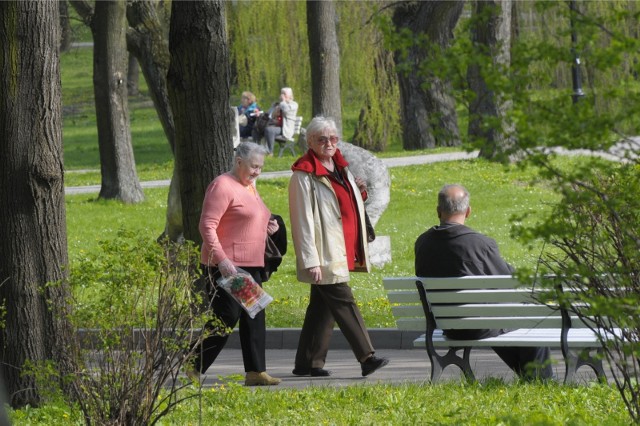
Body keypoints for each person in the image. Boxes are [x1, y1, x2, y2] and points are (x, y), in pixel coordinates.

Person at [414, 184, 553, 380]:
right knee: (526, 316)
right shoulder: (480, 244)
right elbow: (507, 281)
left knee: (497, 317)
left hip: (448, 325)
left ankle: (531, 378)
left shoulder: (423, 243)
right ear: (468, 211)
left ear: (438, 211)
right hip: (478, 325)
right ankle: (541, 380)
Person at [288, 116, 389, 378]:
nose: (329, 143)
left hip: (341, 247)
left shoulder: (339, 166)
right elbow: (303, 221)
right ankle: (367, 357)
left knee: (321, 308)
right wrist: (311, 260)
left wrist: (360, 192)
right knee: (344, 301)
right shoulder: (304, 175)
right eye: (322, 139)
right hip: (325, 252)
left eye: (333, 138)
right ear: (310, 142)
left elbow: (344, 202)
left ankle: (307, 363)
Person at [189, 142, 281, 386]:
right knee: (227, 316)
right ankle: (192, 364)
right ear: (238, 162)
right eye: (253, 167)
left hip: (249, 263)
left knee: (254, 315)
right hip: (228, 263)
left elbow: (249, 217)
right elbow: (206, 226)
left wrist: (268, 227)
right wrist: (222, 261)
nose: (257, 172)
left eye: (260, 167)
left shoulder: (249, 186)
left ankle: (255, 372)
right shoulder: (222, 185)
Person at [257, 87, 298, 155]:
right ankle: (258, 150)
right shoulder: (278, 104)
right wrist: (274, 111)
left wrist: (283, 102)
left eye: (284, 94)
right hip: (276, 126)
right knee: (258, 129)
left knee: (269, 130)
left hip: (286, 129)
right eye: (281, 93)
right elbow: (269, 115)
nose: (282, 95)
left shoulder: (294, 104)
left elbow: (286, 110)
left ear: (290, 95)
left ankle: (270, 151)